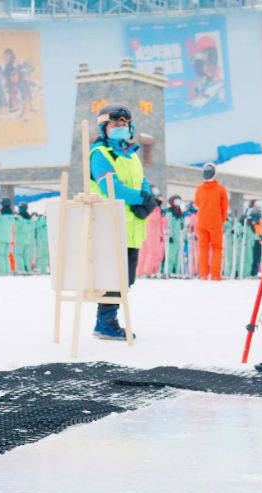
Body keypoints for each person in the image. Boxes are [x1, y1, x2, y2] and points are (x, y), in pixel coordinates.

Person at [88, 104, 158, 340]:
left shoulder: (131, 155)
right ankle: (105, 323)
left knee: (126, 278)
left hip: (132, 225)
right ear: (104, 128)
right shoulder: (99, 154)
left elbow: (142, 181)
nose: (120, 128)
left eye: (124, 124)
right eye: (115, 124)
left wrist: (147, 198)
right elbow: (112, 188)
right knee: (113, 277)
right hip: (111, 225)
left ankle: (106, 321)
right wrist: (140, 198)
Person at [193, 163, 229, 280]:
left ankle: (203, 274)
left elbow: (197, 203)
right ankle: (215, 275)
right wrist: (221, 221)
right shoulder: (221, 189)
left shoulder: (199, 189)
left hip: (202, 222)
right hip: (215, 222)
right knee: (217, 248)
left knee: (203, 248)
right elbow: (224, 207)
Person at [163, 195, 185, 277]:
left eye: (179, 200)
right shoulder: (170, 212)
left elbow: (180, 224)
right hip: (172, 237)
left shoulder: (179, 212)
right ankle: (167, 271)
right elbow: (169, 224)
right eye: (176, 200)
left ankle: (175, 272)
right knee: (170, 255)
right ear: (172, 201)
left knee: (177, 255)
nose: (178, 202)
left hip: (178, 237)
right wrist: (170, 235)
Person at [0, 198, 15, 275]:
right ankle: (7, 271)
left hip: (0, 238)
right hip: (8, 238)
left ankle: (2, 272)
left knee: (1, 255)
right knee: (6, 256)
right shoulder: (11, 215)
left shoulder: (0, 214)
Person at [13, 202, 34, 273]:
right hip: (27, 240)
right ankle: (28, 270)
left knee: (18, 255)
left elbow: (16, 225)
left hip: (20, 239)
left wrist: (15, 218)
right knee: (26, 256)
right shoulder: (30, 219)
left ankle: (21, 270)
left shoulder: (20, 218)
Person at [246, 200, 262, 278]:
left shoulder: (257, 216)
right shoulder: (253, 214)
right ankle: (253, 273)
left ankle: (254, 272)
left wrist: (261, 237)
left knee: (257, 257)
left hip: (258, 239)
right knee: (254, 257)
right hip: (254, 241)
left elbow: (260, 229)